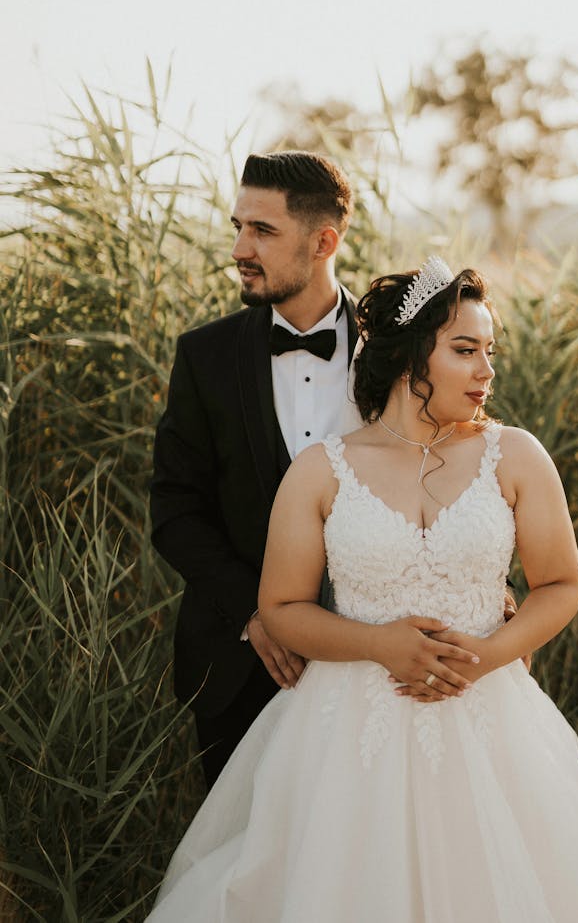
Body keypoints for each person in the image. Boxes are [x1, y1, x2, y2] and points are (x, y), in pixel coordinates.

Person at [146, 258, 578, 922]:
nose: (487, 369)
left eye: (490, 351)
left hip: (490, 718)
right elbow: (281, 607)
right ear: (406, 357)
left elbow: (561, 583)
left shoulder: (517, 456)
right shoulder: (322, 471)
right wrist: (377, 643)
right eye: (464, 350)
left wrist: (487, 654)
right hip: (347, 730)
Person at [150, 151, 362, 788]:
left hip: (372, 660)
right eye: (238, 226)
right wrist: (254, 613)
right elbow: (175, 511)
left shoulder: (399, 350)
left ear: (324, 240)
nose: (240, 247)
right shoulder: (203, 356)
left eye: (263, 231)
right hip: (241, 665)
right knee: (241, 866)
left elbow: (454, 470)